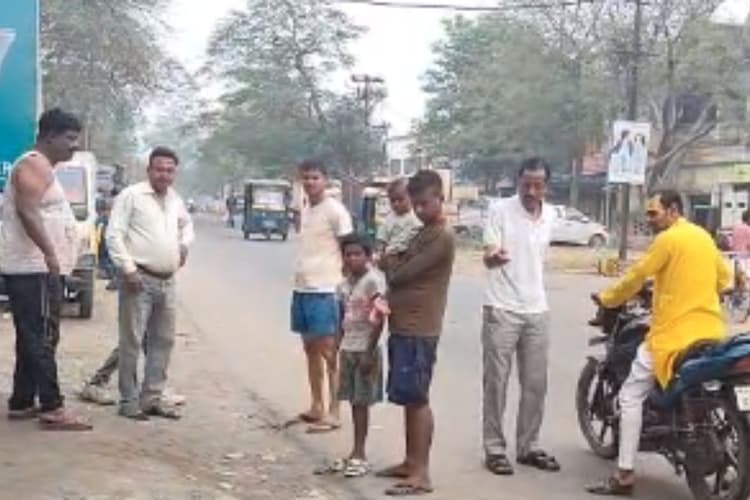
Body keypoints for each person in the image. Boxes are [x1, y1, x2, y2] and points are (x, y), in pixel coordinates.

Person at [587, 190, 732, 496]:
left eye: (654, 213)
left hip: (672, 337)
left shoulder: (668, 240)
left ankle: (624, 475)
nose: (650, 220)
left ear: (673, 210)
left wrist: (608, 298)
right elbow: (724, 280)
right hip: (710, 333)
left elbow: (637, 276)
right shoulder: (704, 237)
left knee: (630, 396)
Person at [0, 108, 92, 430]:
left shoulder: (44, 168)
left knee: (33, 336)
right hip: (32, 268)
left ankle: (23, 401)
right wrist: (50, 253)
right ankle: (53, 407)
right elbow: (28, 212)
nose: (74, 146)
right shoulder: (33, 165)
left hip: (37, 267)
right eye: (69, 138)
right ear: (49, 136)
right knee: (42, 337)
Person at [378, 170, 455, 496]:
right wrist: (390, 261)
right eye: (416, 204)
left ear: (440, 199)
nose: (420, 210)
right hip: (404, 325)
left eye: (425, 203)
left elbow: (398, 273)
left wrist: (390, 261)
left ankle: (421, 472)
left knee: (418, 398)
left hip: (419, 328)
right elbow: (390, 262)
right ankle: (411, 461)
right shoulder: (422, 232)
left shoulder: (441, 237)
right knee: (408, 398)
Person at [481, 157, 560, 476]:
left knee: (536, 383)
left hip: (537, 309)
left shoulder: (551, 215)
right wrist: (494, 257)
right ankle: (494, 448)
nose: (531, 191)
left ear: (546, 187)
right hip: (501, 308)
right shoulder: (499, 210)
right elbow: (489, 253)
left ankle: (528, 446)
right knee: (496, 383)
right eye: (526, 184)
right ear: (518, 182)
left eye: (537, 185)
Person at [106, 146, 194, 421]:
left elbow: (187, 225)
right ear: (149, 170)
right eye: (159, 169)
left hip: (167, 282)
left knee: (163, 341)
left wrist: (184, 245)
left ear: (175, 173)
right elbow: (114, 235)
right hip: (138, 279)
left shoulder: (175, 199)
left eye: (169, 170)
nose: (164, 175)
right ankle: (129, 400)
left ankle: (152, 398)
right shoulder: (132, 196)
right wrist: (128, 269)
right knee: (131, 341)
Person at [315, 234, 388, 478]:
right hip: (348, 348)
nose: (353, 258)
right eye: (348, 254)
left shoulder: (373, 282)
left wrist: (369, 352)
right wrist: (335, 348)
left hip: (365, 349)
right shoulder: (343, 286)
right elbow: (341, 319)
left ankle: (360, 453)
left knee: (361, 403)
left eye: (358, 254)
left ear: (368, 256)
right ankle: (355, 452)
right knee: (352, 400)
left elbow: (379, 319)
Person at [291, 158, 353, 432]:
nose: (310, 182)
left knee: (330, 352)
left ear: (325, 180)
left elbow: (349, 249)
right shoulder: (306, 209)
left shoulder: (336, 211)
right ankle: (316, 404)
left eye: (315, 177)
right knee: (310, 349)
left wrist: (347, 286)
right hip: (303, 287)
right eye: (306, 177)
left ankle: (334, 411)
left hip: (327, 289)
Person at [375, 178, 422, 259]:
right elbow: (382, 237)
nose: (396, 204)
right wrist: (380, 251)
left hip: (407, 253)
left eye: (400, 200)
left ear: (411, 197)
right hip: (390, 253)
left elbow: (415, 234)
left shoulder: (415, 216)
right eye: (393, 201)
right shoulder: (389, 218)